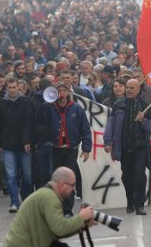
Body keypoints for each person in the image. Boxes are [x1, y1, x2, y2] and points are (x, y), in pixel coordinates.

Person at [103, 79, 151, 215]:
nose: (128, 90)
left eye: (132, 88)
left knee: (139, 176)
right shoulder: (118, 105)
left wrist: (143, 120)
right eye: (127, 87)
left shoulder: (146, 107)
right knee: (127, 177)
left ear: (138, 90)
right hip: (124, 147)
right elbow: (111, 124)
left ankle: (139, 205)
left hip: (140, 148)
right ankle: (130, 203)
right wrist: (107, 142)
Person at [2, 167, 94, 247]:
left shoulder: (48, 194)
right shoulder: (50, 197)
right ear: (61, 185)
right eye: (72, 185)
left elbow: (56, 231)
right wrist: (81, 217)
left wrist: (81, 224)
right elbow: (60, 229)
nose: (74, 189)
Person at [48, 82, 92, 215]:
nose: (61, 93)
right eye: (59, 90)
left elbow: (85, 130)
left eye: (64, 90)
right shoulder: (49, 108)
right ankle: (58, 207)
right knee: (57, 180)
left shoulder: (76, 108)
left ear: (68, 93)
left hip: (70, 149)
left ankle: (68, 209)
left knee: (68, 179)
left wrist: (86, 148)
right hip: (55, 148)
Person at [0, 77, 34, 213]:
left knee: (27, 175)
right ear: (6, 89)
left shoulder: (27, 102)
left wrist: (27, 141)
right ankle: (14, 201)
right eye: (9, 88)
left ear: (19, 88)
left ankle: (27, 199)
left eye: (14, 87)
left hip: (24, 145)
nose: (12, 90)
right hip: (7, 145)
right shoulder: (0, 104)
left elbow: (29, 123)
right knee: (11, 176)